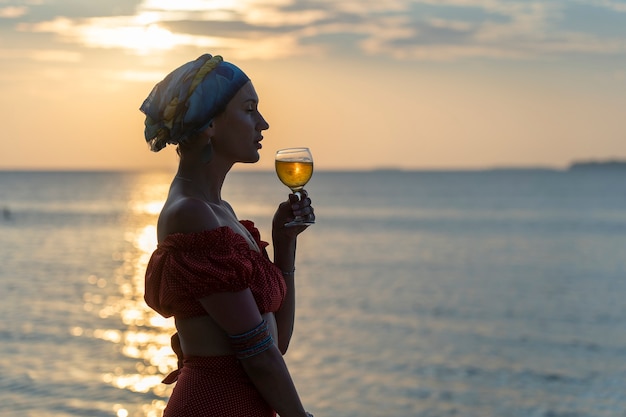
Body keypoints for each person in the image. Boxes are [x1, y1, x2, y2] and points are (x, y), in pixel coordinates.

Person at [140, 54, 315, 417]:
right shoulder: (191, 214)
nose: (263, 123)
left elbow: (275, 344)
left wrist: (284, 245)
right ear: (209, 124)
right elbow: (259, 355)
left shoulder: (222, 214)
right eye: (249, 109)